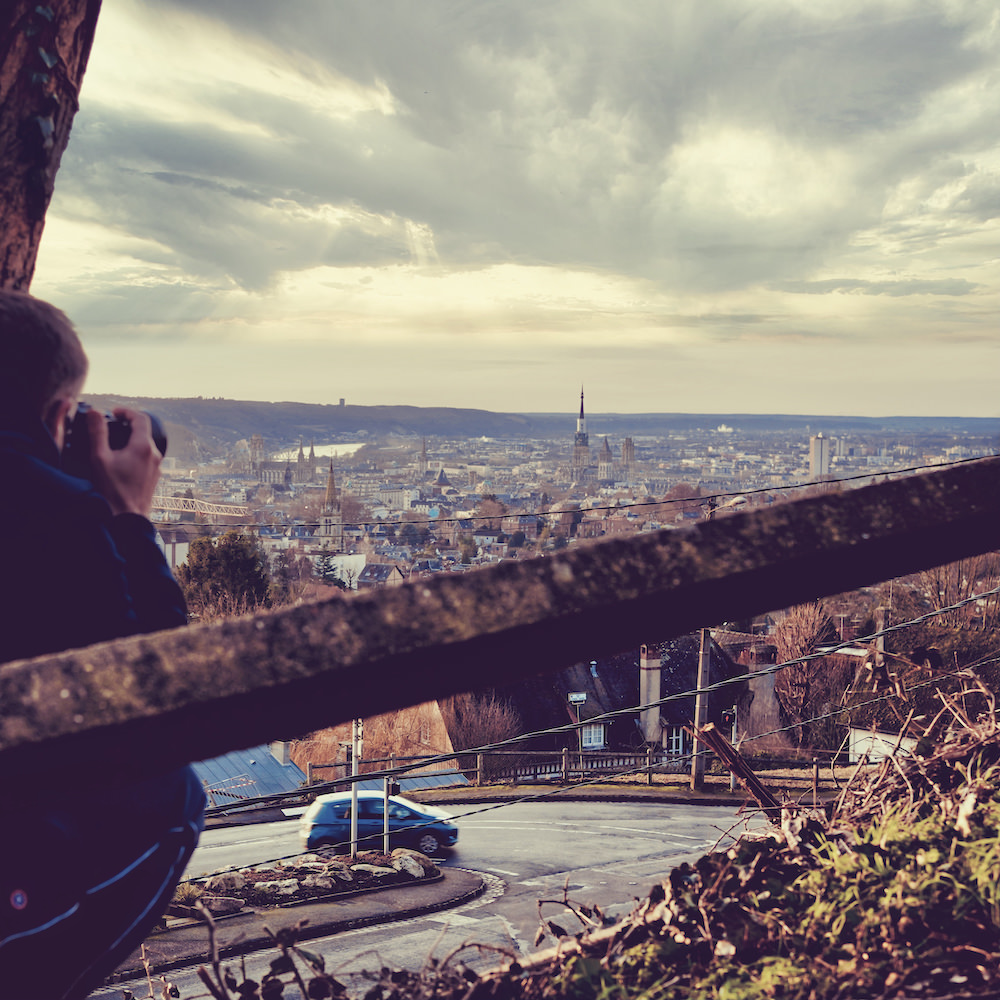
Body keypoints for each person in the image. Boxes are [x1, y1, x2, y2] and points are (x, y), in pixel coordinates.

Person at [0, 290, 206, 999]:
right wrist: (127, 518)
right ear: (59, 414)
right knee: (178, 797)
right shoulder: (58, 520)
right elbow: (166, 699)